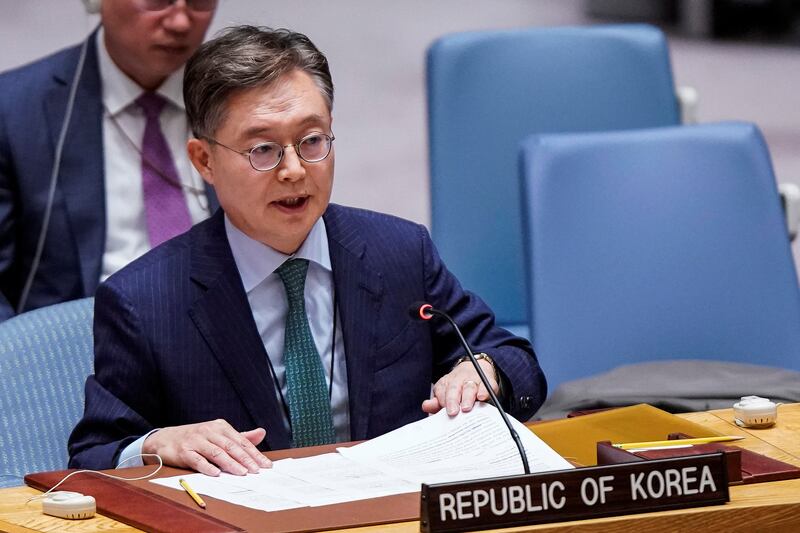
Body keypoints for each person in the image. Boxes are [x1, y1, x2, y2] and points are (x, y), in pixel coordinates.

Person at [68, 25, 547, 475]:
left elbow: (513, 359)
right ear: (204, 161)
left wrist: (483, 371)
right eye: (263, 150)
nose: (295, 170)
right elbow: (94, 453)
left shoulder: (398, 252)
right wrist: (155, 443)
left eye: (311, 140)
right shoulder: (144, 300)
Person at [0, 0, 219, 322]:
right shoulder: (14, 110)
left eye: (199, 2)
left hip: (221, 341)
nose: (180, 23)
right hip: (74, 350)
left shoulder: (236, 102)